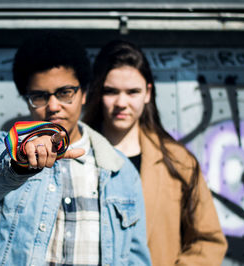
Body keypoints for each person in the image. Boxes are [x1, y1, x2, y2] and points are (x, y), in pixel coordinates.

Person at [0, 32, 151, 265]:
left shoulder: (120, 171)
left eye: (65, 93)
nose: (53, 106)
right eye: (40, 96)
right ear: (27, 99)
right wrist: (21, 160)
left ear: (83, 93)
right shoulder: (8, 149)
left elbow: (136, 258)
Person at [83, 40, 228, 265]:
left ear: (148, 93)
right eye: (111, 91)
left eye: (133, 92)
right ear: (97, 93)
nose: (122, 102)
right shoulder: (77, 157)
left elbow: (208, 241)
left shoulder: (178, 161)